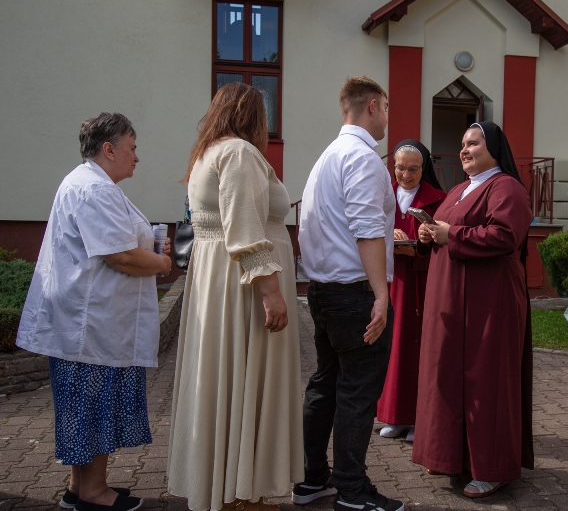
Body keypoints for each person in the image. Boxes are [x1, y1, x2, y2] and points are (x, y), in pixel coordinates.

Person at [16, 113, 172, 511]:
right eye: (132, 148)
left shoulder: (89, 184)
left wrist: (150, 253)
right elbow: (120, 255)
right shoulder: (94, 189)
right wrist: (161, 263)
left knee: (84, 408)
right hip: (91, 324)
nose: (137, 157)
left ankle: (79, 487)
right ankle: (93, 493)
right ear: (109, 149)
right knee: (92, 407)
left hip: (89, 321)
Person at [167, 82, 303, 511]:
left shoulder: (209, 153)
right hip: (243, 286)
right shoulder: (240, 153)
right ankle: (240, 493)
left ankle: (235, 486)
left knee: (225, 378)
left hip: (220, 279)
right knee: (246, 377)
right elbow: (244, 227)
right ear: (253, 117)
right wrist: (271, 292)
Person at [296, 76, 403, 511]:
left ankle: (312, 479)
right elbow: (367, 229)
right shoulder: (362, 158)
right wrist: (381, 294)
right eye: (387, 108)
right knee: (357, 392)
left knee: (326, 384)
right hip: (354, 293)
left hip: (324, 290)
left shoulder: (326, 156)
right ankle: (351, 489)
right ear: (373, 106)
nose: (388, 118)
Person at [412, 121, 534, 499]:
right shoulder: (459, 190)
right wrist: (427, 233)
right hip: (450, 299)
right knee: (447, 375)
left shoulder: (506, 187)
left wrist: (451, 234)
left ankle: (492, 468)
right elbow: (444, 230)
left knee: (486, 380)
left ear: (494, 148)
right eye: (463, 144)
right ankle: (450, 456)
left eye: (474, 143)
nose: (464, 150)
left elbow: (505, 236)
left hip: (489, 302)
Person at [376, 140, 446, 442]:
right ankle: (393, 415)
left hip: (420, 283)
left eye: (413, 169)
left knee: (417, 349)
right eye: (400, 168)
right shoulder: (382, 194)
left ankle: (419, 419)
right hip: (388, 281)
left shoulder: (439, 199)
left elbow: (444, 246)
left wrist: (419, 246)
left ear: (424, 169)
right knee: (390, 348)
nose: (405, 175)